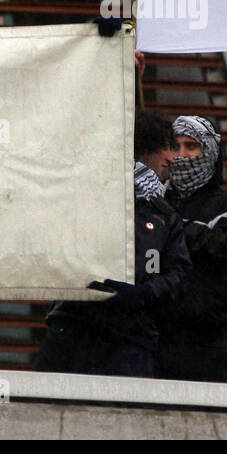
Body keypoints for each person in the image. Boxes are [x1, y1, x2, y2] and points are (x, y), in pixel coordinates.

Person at [34, 111, 191, 378]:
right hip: (74, 328)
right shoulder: (91, 193)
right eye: (166, 148)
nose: (171, 158)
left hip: (131, 338)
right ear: (144, 147)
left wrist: (144, 293)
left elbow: (178, 273)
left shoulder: (165, 214)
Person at [155, 115, 227, 383]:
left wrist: (173, 229)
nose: (182, 155)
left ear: (209, 151)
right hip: (155, 344)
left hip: (208, 348)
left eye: (191, 146)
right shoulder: (154, 200)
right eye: (175, 146)